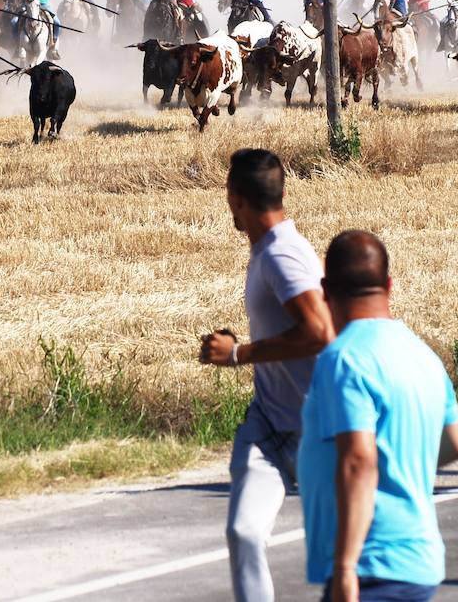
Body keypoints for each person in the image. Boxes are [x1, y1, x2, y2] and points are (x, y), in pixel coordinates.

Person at [299, 230, 458, 602]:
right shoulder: (423, 355)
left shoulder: (343, 359)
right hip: (419, 560)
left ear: (325, 290)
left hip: (372, 564)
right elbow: (456, 443)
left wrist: (345, 568)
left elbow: (359, 460)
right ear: (389, 285)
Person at [198, 149, 333, 602]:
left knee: (345, 567)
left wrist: (239, 352)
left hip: (317, 434)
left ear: (234, 199)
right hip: (269, 426)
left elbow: (319, 332)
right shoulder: (270, 249)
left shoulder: (281, 255)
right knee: (245, 533)